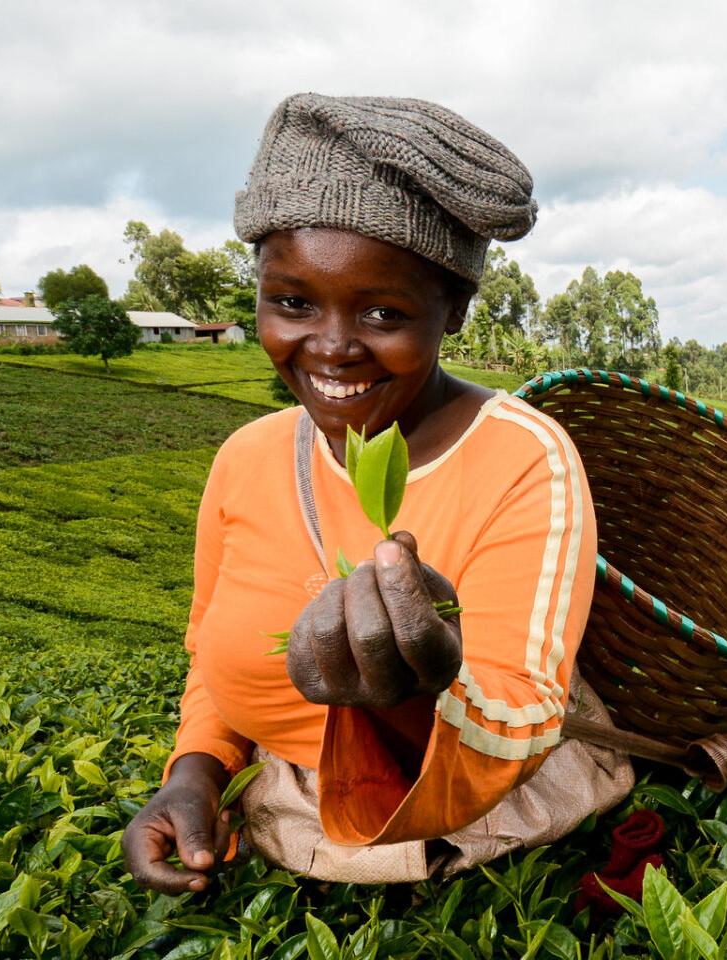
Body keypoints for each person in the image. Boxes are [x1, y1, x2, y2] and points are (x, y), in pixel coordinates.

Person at [124, 94, 628, 894]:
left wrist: (414, 696)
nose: (329, 346)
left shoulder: (523, 456)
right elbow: (207, 655)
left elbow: (524, 714)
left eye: (382, 313)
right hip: (279, 797)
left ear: (453, 310)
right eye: (292, 302)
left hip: (457, 816)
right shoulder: (245, 457)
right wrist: (197, 773)